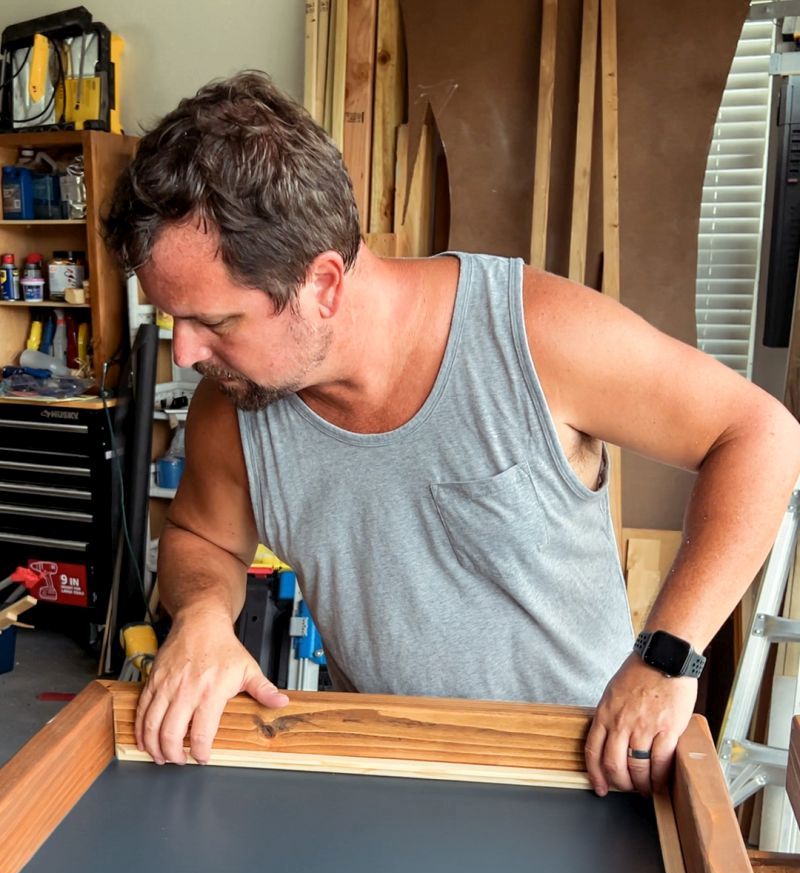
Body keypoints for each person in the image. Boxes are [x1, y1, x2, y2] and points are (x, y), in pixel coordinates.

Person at [103, 70, 800, 798]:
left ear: (324, 284)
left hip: (581, 779)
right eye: (172, 320)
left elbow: (760, 435)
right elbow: (200, 537)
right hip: (386, 776)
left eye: (213, 322)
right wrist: (206, 617)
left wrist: (667, 660)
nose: (183, 354)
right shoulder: (235, 404)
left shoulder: (533, 335)